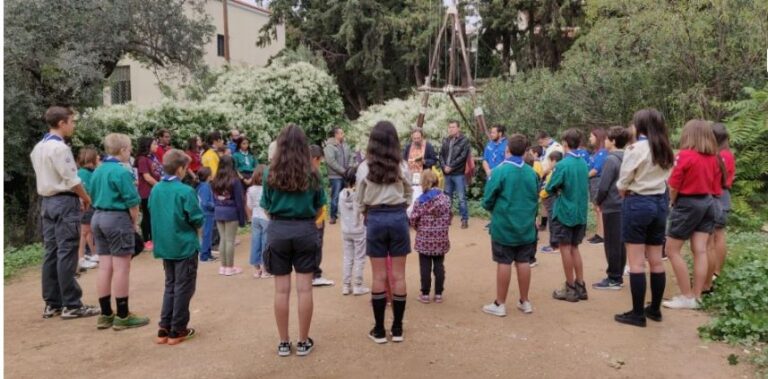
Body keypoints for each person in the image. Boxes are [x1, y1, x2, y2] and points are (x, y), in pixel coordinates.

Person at [261, 124, 326, 357]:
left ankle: (283, 342)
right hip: (306, 230)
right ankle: (302, 341)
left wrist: (280, 222)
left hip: (278, 229)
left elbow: (266, 207)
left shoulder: (270, 172)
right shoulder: (313, 172)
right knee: (305, 289)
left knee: (281, 291)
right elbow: (320, 207)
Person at [30, 106, 99, 319]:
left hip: (47, 202)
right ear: (62, 123)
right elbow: (72, 179)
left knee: (51, 251)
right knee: (67, 252)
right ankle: (71, 303)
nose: (73, 125)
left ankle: (52, 303)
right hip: (63, 201)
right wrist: (86, 198)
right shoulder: (60, 149)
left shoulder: (38, 147)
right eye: (71, 121)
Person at [613, 108, 675, 327]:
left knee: (637, 262)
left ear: (640, 126)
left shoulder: (636, 149)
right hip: (660, 204)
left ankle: (637, 314)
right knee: (656, 259)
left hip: (638, 203)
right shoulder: (666, 148)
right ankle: (655, 309)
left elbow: (622, 183)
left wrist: (625, 189)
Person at [356, 121, 413, 344]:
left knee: (378, 276)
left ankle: (379, 330)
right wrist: (402, 207)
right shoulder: (402, 165)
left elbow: (360, 198)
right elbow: (409, 190)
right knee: (399, 276)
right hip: (398, 217)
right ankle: (397, 328)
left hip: (376, 219)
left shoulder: (364, 167)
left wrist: (367, 211)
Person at [90, 133, 150, 330]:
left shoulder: (98, 170)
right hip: (116, 218)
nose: (131, 151)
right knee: (122, 268)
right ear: (123, 150)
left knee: (105, 267)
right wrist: (133, 225)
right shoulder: (122, 171)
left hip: (98, 217)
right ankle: (123, 315)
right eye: (130, 148)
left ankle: (106, 314)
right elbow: (133, 203)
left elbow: (91, 194)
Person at [662, 120, 724, 310]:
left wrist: (673, 200)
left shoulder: (685, 156)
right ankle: (697, 296)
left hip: (688, 203)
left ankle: (686, 295)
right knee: (700, 250)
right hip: (709, 202)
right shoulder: (714, 158)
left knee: (672, 250)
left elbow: (673, 184)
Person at [149, 149, 204, 345]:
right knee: (184, 287)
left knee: (170, 285)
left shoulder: (156, 189)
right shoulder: (185, 191)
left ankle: (164, 326)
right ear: (181, 169)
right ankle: (178, 328)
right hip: (184, 245)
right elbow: (196, 218)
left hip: (165, 245)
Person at [481, 134, 540, 316]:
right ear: (525, 151)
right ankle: (525, 301)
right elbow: (535, 198)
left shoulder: (499, 171)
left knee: (504, 262)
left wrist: (494, 210)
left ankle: (500, 304)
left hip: (504, 225)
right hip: (526, 226)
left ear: (507, 150)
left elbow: (487, 200)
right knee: (523, 261)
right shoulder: (532, 173)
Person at [543, 129, 590, 303]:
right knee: (575, 248)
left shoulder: (562, 165)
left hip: (565, 212)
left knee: (565, 248)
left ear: (565, 144)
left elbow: (550, 187)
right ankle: (580, 284)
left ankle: (569, 287)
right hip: (580, 212)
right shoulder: (583, 163)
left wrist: (556, 187)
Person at [592, 126, 629, 290]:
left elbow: (604, 186)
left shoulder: (611, 159)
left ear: (613, 141)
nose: (605, 141)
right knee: (620, 242)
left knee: (612, 243)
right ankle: (617, 275)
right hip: (625, 204)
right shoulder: (628, 157)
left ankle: (614, 278)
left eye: (607, 139)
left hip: (612, 205)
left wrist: (597, 201)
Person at [409, 170, 451, 304]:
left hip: (424, 240)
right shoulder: (445, 199)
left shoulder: (420, 201)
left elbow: (413, 219)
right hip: (440, 239)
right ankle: (438, 294)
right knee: (439, 265)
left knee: (425, 266)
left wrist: (419, 229)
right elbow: (449, 216)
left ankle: (425, 294)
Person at [706, 123, 735, 289]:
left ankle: (715, 271)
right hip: (723, 195)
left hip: (718, 195)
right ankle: (715, 271)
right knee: (718, 235)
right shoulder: (727, 154)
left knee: (715, 236)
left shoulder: (721, 156)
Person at [212, 156, 246, 276]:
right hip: (231, 212)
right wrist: (243, 219)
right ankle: (230, 267)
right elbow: (239, 200)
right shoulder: (234, 180)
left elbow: (214, 198)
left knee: (223, 239)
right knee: (230, 240)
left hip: (218, 211)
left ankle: (223, 266)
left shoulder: (215, 179)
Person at [339, 167, 369, 296]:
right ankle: (357, 285)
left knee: (347, 257)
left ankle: (346, 285)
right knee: (359, 258)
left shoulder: (341, 194)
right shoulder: (360, 194)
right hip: (359, 230)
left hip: (346, 230)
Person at [310, 145, 335, 287]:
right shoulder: (314, 173)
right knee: (317, 245)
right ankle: (315, 275)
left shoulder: (304, 171)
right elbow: (319, 200)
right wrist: (319, 218)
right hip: (316, 217)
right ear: (315, 158)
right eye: (320, 160)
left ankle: (310, 273)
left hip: (310, 217)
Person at [440, 120, 471, 229]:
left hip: (458, 173)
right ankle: (447, 218)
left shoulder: (464, 141)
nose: (451, 129)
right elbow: (441, 156)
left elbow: (462, 157)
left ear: (458, 128)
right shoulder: (445, 140)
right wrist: (444, 167)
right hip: (447, 173)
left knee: (461, 197)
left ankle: (464, 220)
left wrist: (451, 166)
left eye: (453, 127)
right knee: (447, 197)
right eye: (449, 127)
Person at [135, 136, 162, 251]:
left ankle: (155, 238)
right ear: (147, 146)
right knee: (147, 216)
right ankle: (147, 240)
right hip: (147, 192)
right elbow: (146, 177)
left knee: (155, 215)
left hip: (155, 190)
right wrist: (160, 186)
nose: (157, 146)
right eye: (154, 144)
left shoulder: (153, 157)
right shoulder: (142, 159)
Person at [403, 128, 438, 215]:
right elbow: (403, 160)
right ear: (412, 137)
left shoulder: (428, 146)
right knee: (411, 194)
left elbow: (434, 160)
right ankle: (410, 215)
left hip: (424, 176)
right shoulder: (408, 147)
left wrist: (424, 162)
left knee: (422, 195)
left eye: (418, 138)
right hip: (410, 175)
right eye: (414, 138)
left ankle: (422, 214)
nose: (416, 140)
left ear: (422, 137)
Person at [76, 147, 100, 270]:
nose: (98, 159)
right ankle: (80, 258)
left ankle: (94, 254)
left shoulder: (90, 172)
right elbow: (87, 190)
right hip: (87, 205)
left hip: (92, 205)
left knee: (89, 231)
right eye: (96, 157)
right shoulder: (83, 173)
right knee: (84, 232)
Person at [246, 164, 272, 279]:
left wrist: (250, 217)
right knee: (266, 243)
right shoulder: (268, 189)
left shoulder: (250, 189)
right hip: (266, 217)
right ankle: (266, 269)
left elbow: (249, 205)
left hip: (255, 217)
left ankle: (257, 269)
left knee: (255, 242)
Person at [324, 127, 353, 224]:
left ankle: (346, 216)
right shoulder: (329, 147)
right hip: (335, 176)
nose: (343, 134)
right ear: (336, 135)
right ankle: (333, 216)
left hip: (345, 175)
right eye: (341, 133)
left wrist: (349, 169)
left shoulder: (345, 145)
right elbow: (331, 161)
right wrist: (343, 171)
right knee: (335, 196)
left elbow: (350, 157)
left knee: (347, 196)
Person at [539, 151, 563, 254]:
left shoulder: (554, 172)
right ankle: (555, 244)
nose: (548, 163)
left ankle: (555, 245)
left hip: (551, 199)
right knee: (552, 220)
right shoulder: (553, 171)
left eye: (549, 161)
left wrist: (541, 195)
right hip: (550, 199)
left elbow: (549, 187)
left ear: (554, 161)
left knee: (553, 221)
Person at [587, 128, 608, 245]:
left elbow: (595, 170)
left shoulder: (602, 152)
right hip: (593, 182)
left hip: (597, 182)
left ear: (598, 137)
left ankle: (602, 235)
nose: (590, 139)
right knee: (596, 209)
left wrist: (582, 177)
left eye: (591, 136)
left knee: (599, 209)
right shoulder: (596, 152)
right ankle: (599, 233)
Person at [196, 167, 217, 263]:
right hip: (206, 213)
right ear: (208, 176)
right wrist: (215, 206)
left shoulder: (202, 186)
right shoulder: (205, 187)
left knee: (208, 234)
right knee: (207, 235)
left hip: (206, 213)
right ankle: (204, 256)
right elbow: (205, 202)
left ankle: (208, 253)